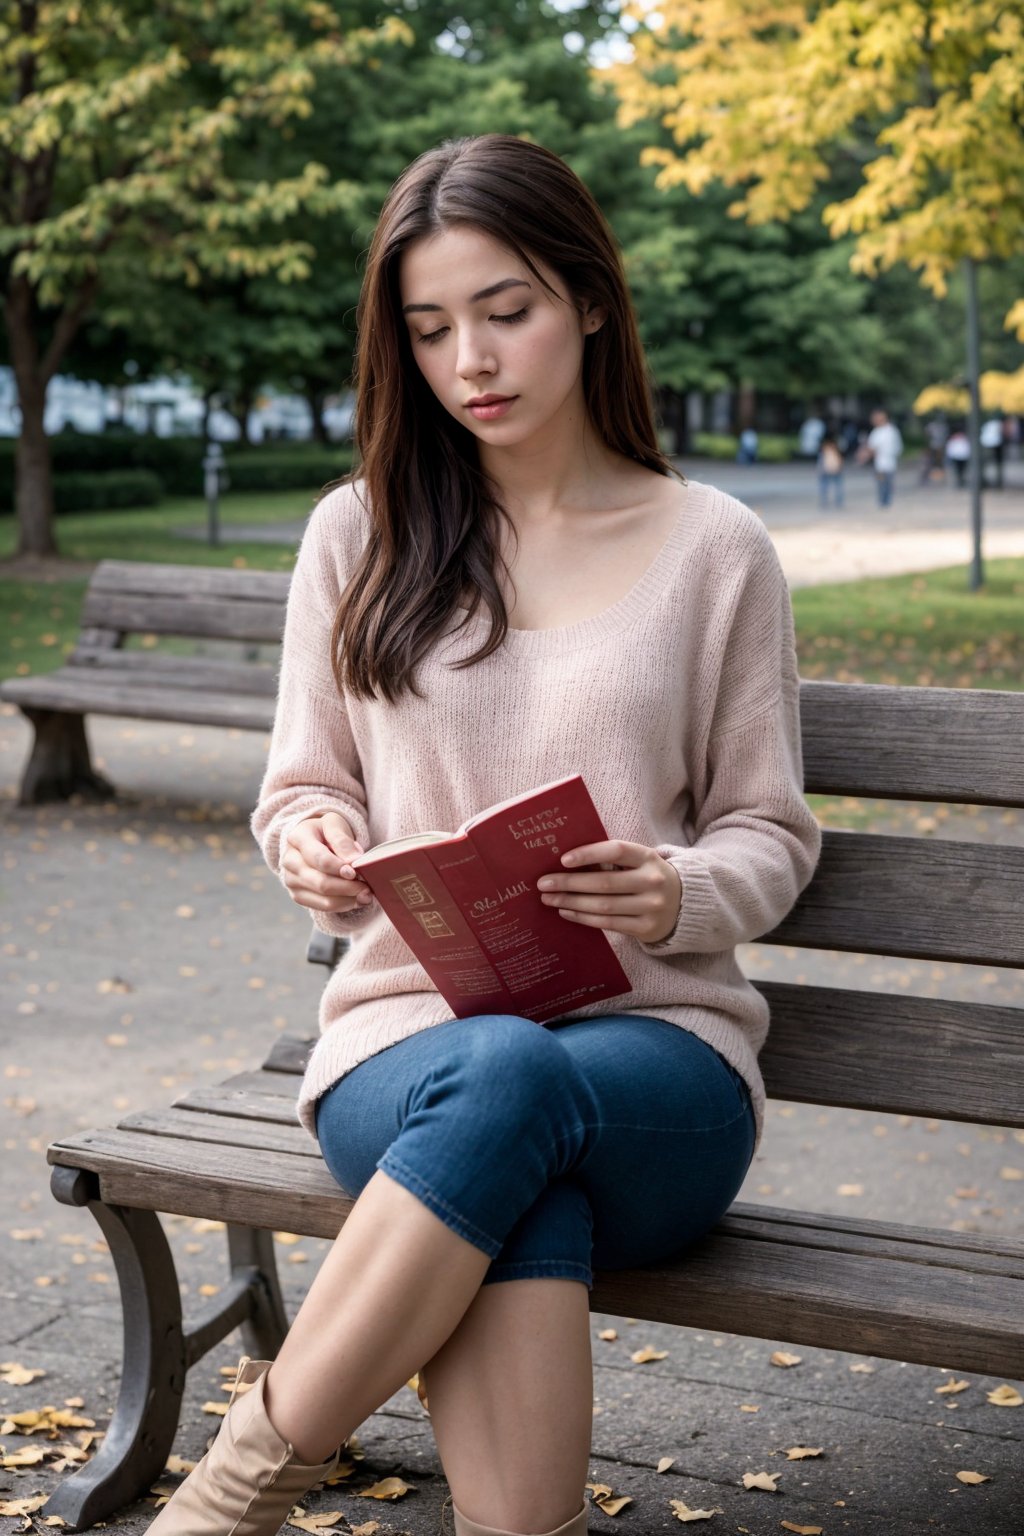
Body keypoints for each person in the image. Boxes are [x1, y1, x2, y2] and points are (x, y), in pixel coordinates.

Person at [147, 135, 821, 1536]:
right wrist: (315, 840)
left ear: (585, 297)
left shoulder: (715, 552)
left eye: (505, 310)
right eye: (432, 328)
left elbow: (771, 831)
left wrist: (677, 889)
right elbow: (300, 787)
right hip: (408, 1048)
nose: (473, 361)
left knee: (523, 1102)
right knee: (507, 1131)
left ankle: (224, 1501)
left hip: (661, 1065)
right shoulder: (359, 535)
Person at [860, 408, 904, 507]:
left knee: (886, 483)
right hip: (881, 463)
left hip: (887, 463)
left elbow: (897, 447)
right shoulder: (878, 432)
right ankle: (884, 502)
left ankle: (885, 502)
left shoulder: (890, 431)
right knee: (883, 483)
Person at [817, 432, 845, 508]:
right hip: (834, 471)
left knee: (825, 487)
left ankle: (825, 502)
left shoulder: (824, 452)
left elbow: (820, 463)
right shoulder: (836, 451)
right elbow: (840, 461)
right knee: (837, 487)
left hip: (826, 471)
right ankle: (838, 502)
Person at [980, 415, 1005, 488]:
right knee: (992, 464)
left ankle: (989, 481)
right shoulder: (998, 423)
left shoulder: (988, 423)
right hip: (993, 443)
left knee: (987, 464)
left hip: (988, 443)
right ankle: (995, 482)